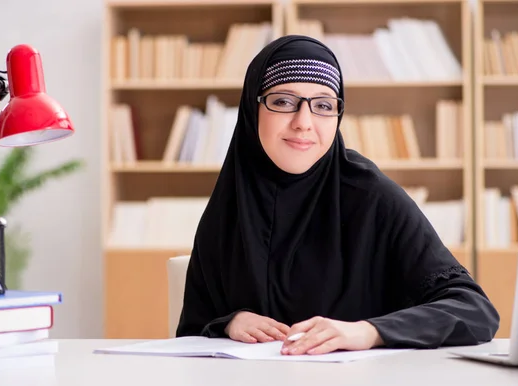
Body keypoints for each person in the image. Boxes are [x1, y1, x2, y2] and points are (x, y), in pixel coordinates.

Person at [175, 34, 499, 356]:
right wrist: (229, 323)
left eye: (323, 106)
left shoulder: (373, 199)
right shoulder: (228, 208)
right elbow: (190, 332)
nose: (304, 122)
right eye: (283, 101)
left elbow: (474, 310)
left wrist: (369, 331)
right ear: (252, 107)